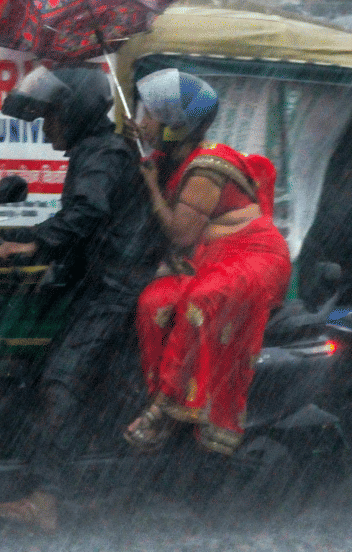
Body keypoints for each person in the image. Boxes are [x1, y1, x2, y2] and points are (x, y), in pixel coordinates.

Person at [0, 63, 162, 532]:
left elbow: (88, 210)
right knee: (52, 375)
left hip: (115, 290)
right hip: (101, 282)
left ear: (76, 113)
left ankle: (46, 498)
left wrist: (35, 243)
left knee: (60, 383)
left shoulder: (101, 153)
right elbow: (89, 222)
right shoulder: (97, 150)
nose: (44, 128)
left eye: (51, 117)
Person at [122, 68, 291, 456]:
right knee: (154, 303)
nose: (142, 121)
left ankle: (165, 408)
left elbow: (181, 235)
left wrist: (150, 184)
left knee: (203, 300)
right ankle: (170, 400)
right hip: (207, 259)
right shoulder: (171, 155)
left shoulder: (204, 169)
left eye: (150, 116)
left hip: (251, 256)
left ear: (175, 127)